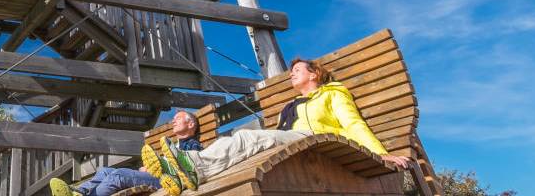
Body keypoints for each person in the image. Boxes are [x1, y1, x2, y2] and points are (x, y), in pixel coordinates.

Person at [142, 58, 411, 195]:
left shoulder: (332, 94)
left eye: (298, 70)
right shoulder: (294, 103)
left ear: (314, 74)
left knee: (247, 138)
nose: (292, 73)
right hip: (295, 139)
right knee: (239, 139)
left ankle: (192, 166)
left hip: (315, 141)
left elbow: (352, 122)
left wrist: (379, 153)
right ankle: (182, 169)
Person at [49, 110, 203, 196]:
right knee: (104, 171)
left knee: (119, 175)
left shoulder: (192, 145)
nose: (173, 121)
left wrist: (157, 167)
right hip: (156, 175)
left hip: (167, 181)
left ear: (190, 124)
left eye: (178, 118)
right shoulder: (174, 144)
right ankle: (78, 192)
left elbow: (186, 167)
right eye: (173, 119)